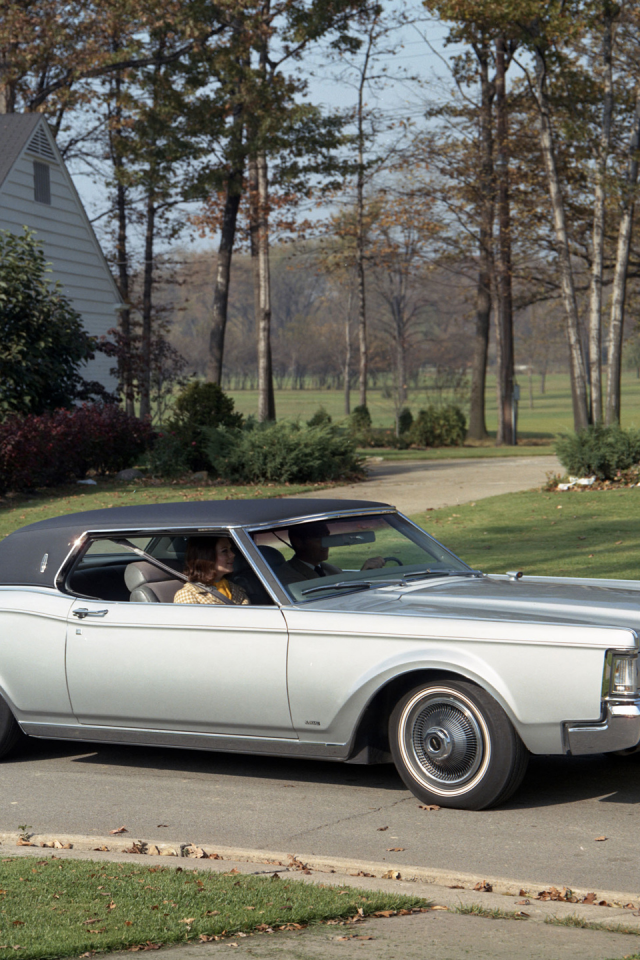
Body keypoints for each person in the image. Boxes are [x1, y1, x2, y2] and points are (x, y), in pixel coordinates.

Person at [277, 521, 385, 588]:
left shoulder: (331, 569)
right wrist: (361, 579)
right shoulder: (286, 577)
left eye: (327, 536)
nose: (327, 543)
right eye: (319, 537)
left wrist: (364, 576)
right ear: (298, 542)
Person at [173, 536, 249, 605]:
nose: (232, 554)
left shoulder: (235, 588)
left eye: (230, 549)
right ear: (206, 556)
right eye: (224, 551)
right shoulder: (188, 595)